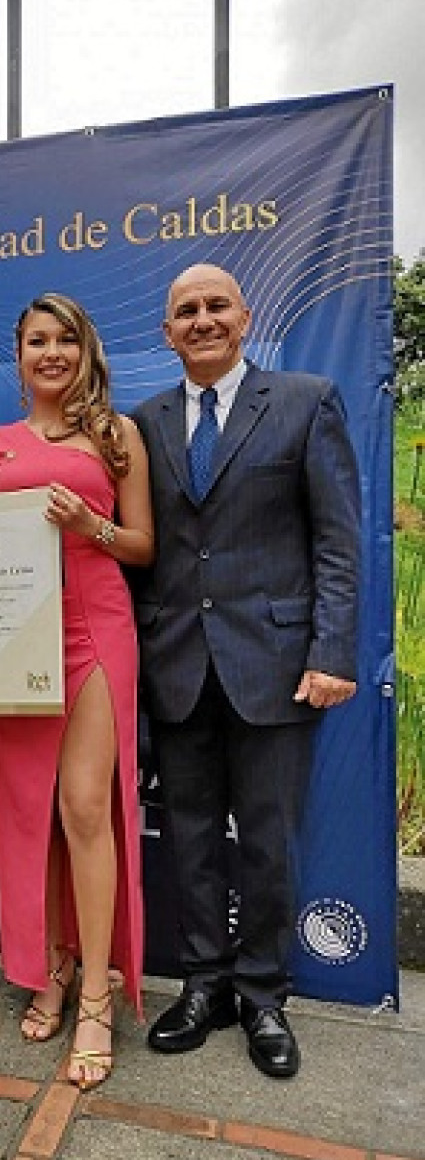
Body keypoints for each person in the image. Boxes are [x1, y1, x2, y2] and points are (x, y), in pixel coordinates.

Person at [133, 262, 360, 1079]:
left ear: (243, 316)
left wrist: (332, 651)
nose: (200, 319)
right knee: (190, 838)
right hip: (178, 670)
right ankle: (202, 983)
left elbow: (336, 539)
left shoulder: (304, 401)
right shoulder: (144, 421)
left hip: (275, 667)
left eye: (214, 306)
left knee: (266, 841)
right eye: (184, 310)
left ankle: (263, 994)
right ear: (166, 332)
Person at [0, 293, 154, 1089]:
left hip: (95, 627)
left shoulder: (117, 436)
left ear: (86, 351)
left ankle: (93, 1001)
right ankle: (48, 965)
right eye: (36, 341)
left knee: (84, 807)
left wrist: (90, 527)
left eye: (64, 340)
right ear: (18, 357)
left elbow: (142, 546)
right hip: (14, 637)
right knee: (30, 813)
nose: (50, 353)